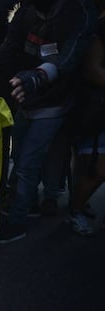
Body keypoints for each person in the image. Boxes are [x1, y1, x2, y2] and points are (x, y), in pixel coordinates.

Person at [0, 0, 98, 243]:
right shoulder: (26, 14)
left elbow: (68, 58)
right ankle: (26, 204)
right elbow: (5, 52)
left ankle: (16, 223)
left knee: (28, 164)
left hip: (54, 103)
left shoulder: (78, 12)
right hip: (26, 98)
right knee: (18, 157)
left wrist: (39, 77)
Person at [66, 0, 105, 236]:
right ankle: (75, 210)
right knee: (98, 170)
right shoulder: (99, 28)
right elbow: (92, 70)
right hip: (98, 111)